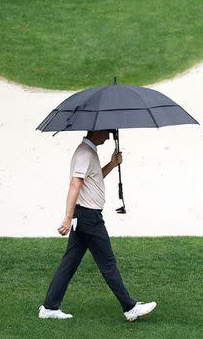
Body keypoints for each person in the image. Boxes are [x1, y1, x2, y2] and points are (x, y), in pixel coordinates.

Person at [38, 129, 156, 322]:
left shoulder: (89, 152)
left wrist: (112, 163)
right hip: (89, 218)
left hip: (84, 216)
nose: (109, 135)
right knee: (108, 263)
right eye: (106, 131)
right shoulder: (85, 153)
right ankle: (129, 308)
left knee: (69, 262)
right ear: (95, 131)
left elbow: (93, 179)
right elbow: (75, 185)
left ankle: (49, 307)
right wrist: (67, 218)